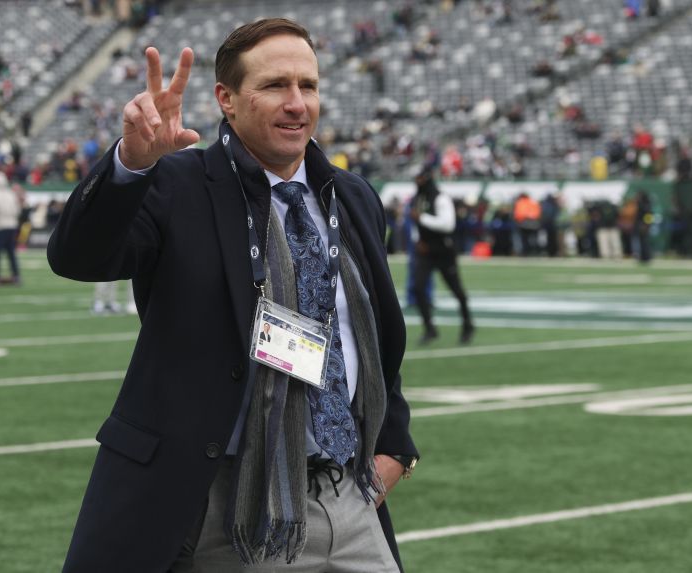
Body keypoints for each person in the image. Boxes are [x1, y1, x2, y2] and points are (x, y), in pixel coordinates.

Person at [48, 18, 418, 573]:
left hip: (349, 498)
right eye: (275, 86)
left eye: (308, 86)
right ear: (226, 99)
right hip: (233, 503)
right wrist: (132, 165)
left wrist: (393, 446)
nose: (297, 104)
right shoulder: (178, 183)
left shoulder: (352, 196)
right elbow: (78, 257)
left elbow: (364, 339)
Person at [409, 170, 474, 344]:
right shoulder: (418, 198)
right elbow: (416, 222)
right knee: (418, 287)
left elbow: (448, 225)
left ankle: (468, 324)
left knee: (456, 290)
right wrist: (418, 240)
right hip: (426, 251)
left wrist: (423, 218)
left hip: (443, 250)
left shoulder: (440, 198)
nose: (417, 181)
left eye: (420, 177)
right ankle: (429, 328)